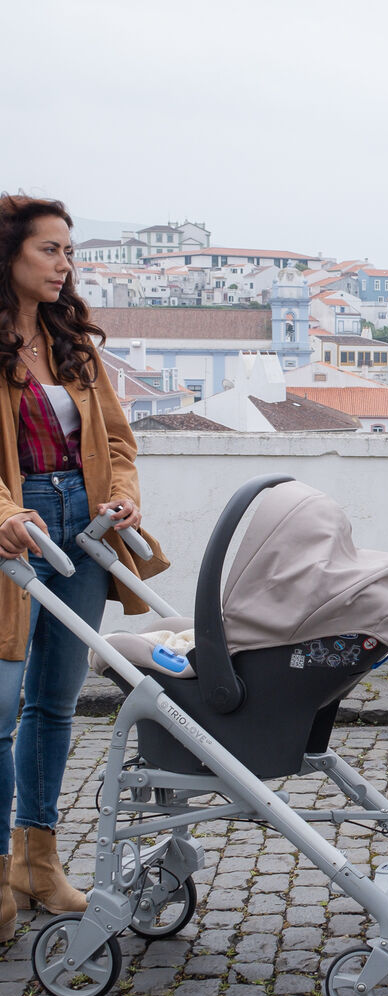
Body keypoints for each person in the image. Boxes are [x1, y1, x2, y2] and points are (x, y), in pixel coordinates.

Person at [0, 194, 167, 941]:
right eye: (50, 250)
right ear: (9, 257)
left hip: (86, 529)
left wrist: (123, 497)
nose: (66, 265)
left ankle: (38, 861)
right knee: (1, 710)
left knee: (55, 703)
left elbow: (120, 444)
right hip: (16, 533)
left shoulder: (75, 344)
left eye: (69, 251)